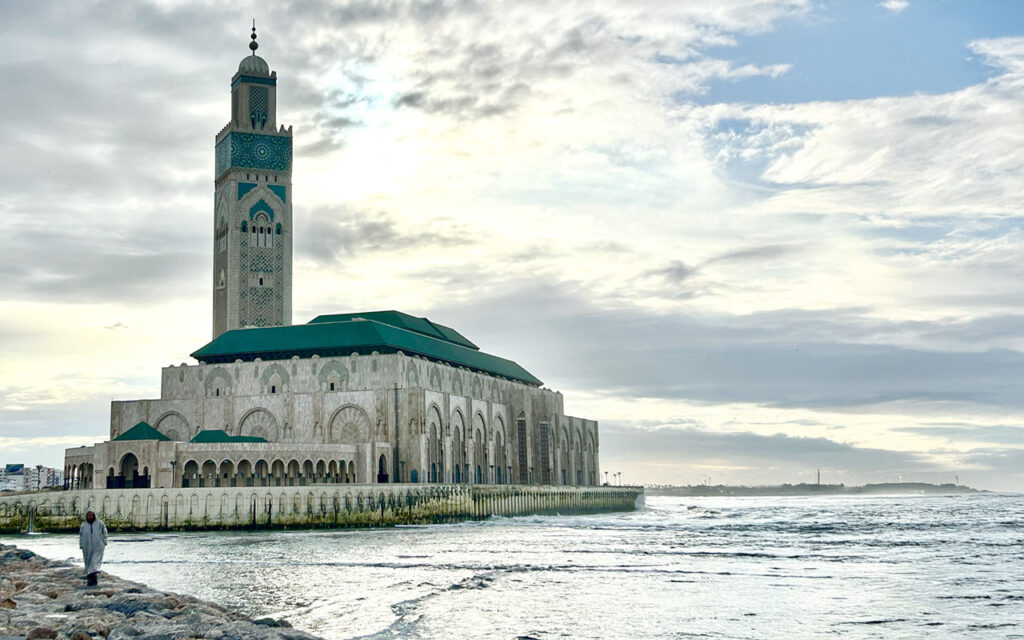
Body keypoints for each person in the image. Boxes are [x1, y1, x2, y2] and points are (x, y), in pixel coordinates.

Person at [79, 508, 108, 586]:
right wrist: (81, 544)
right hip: (87, 546)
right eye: (88, 515)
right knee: (88, 562)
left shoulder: (100, 523)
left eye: (90, 515)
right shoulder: (83, 525)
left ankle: (93, 577)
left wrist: (104, 541)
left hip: (98, 546)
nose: (89, 517)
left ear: (94, 515)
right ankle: (91, 579)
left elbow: (104, 532)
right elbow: (81, 536)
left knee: (95, 561)